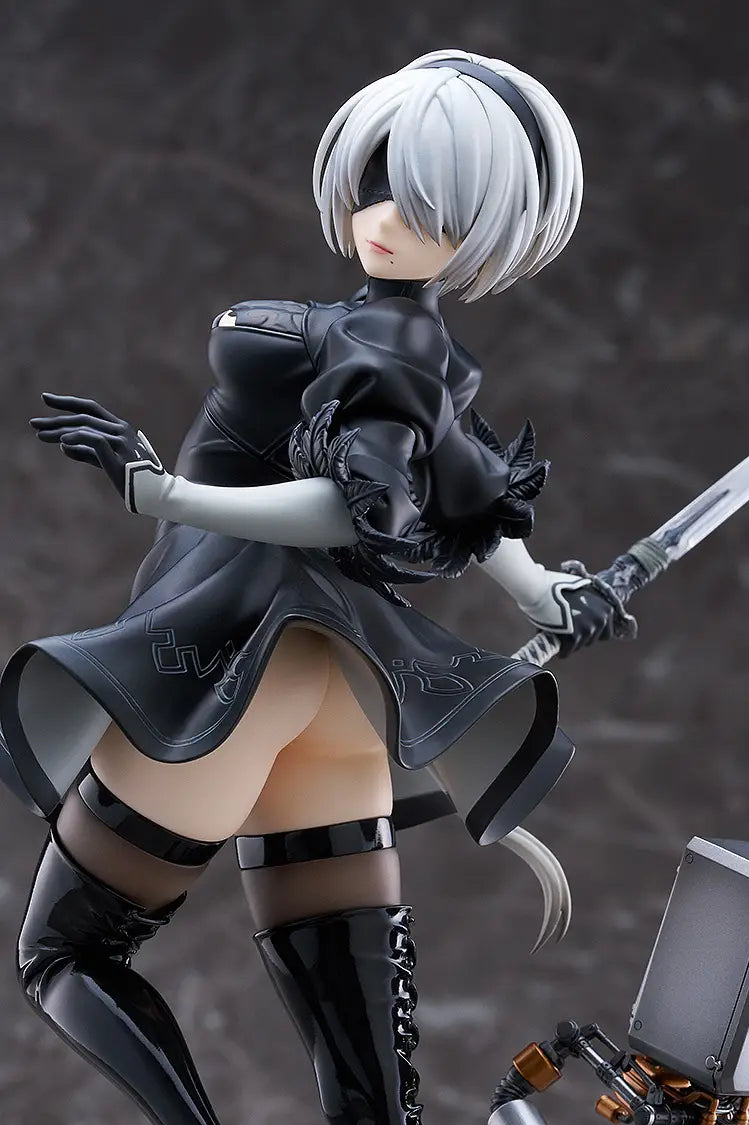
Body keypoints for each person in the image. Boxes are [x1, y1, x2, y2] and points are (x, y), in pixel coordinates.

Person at [4, 49, 620, 1125]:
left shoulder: (388, 348)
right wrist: (545, 596)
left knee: (67, 953)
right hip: (337, 695)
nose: (388, 217)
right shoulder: (423, 357)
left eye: (429, 205)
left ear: (483, 231)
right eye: (379, 182)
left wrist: (165, 495)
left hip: (242, 663)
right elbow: (473, 502)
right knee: (369, 1093)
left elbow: (354, 506)